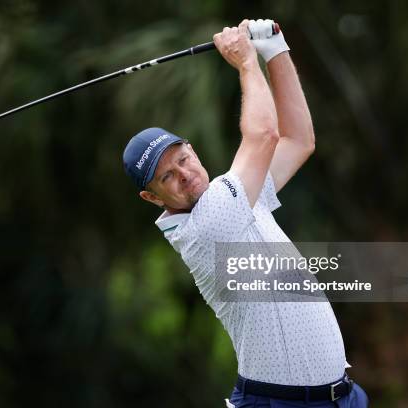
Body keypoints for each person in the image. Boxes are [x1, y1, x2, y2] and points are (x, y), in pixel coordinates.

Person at [122, 18, 369, 407]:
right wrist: (246, 62)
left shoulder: (237, 196)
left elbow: (298, 140)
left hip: (343, 396)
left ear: (193, 149)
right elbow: (265, 135)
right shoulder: (209, 223)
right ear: (152, 198)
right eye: (168, 176)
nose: (185, 175)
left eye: (184, 159)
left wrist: (276, 49)